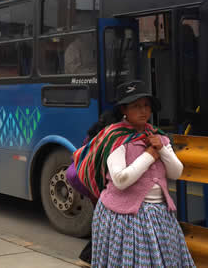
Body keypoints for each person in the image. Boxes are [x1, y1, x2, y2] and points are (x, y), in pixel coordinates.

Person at [72, 80, 194, 267]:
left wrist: (161, 149)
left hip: (160, 216)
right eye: (136, 106)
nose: (143, 111)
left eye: (146, 105)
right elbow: (120, 180)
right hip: (125, 218)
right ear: (124, 110)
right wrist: (148, 156)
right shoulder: (115, 138)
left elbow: (176, 172)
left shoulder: (157, 136)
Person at [68, 109, 122, 267]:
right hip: (98, 185)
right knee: (107, 223)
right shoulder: (109, 139)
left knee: (102, 222)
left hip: (87, 183)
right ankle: (87, 258)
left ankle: (89, 258)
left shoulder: (92, 136)